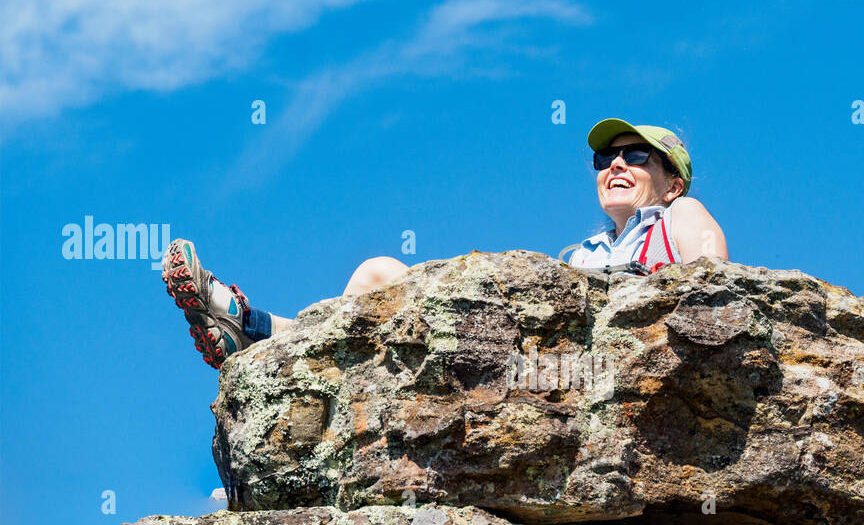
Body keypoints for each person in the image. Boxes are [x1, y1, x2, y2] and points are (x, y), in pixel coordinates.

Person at [162, 118, 729, 369]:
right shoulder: (580, 254)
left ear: (672, 179)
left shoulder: (676, 214)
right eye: (607, 159)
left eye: (636, 157)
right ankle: (259, 332)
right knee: (376, 274)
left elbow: (712, 273)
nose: (616, 166)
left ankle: (252, 332)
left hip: (567, 367)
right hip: (519, 349)